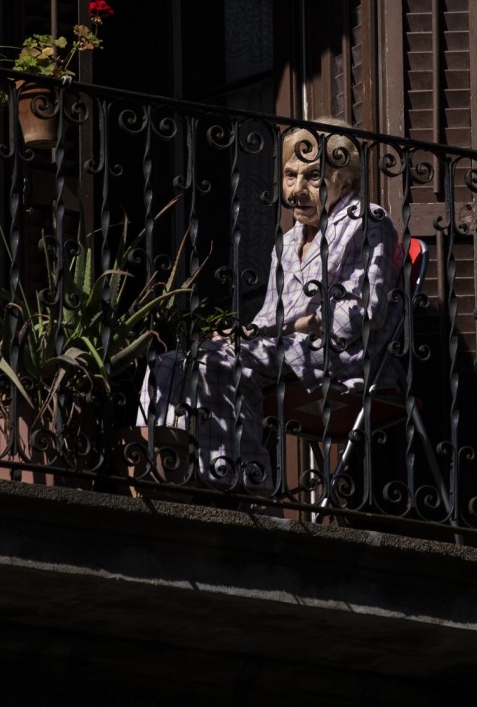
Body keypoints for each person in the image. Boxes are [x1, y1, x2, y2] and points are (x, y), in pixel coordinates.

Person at [135, 117, 404, 494]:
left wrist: (291, 326)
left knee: (219, 365)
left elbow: (362, 313)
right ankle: (163, 473)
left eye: (313, 176)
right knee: (171, 362)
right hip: (283, 352)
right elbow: (268, 318)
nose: (297, 190)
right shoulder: (289, 242)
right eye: (290, 176)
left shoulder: (367, 221)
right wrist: (241, 333)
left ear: (342, 179)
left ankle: (242, 488)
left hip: (341, 357)